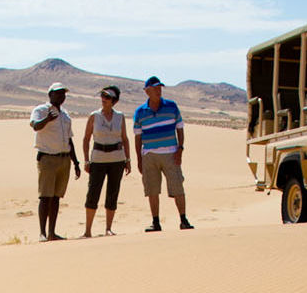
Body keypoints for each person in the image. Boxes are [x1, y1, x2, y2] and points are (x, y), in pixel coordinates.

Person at [133, 76, 192, 231]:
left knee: (177, 186)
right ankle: (156, 222)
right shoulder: (140, 112)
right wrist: (139, 158)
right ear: (147, 91)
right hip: (149, 155)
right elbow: (137, 137)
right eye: (155, 88)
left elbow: (180, 128)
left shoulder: (171, 107)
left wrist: (180, 149)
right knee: (152, 189)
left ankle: (183, 219)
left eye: (160, 88)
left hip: (171, 153)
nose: (159, 91)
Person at [29, 82, 82, 241]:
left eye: (63, 94)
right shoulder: (40, 110)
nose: (61, 96)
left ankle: (52, 232)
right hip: (47, 158)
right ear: (50, 95)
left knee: (56, 197)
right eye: (58, 93)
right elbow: (35, 126)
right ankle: (42, 233)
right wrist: (47, 119)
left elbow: (69, 140)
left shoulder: (65, 116)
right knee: (45, 196)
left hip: (63, 159)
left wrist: (76, 162)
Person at [81, 85, 132, 237]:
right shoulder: (94, 116)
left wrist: (128, 159)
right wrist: (86, 160)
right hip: (98, 159)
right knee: (93, 192)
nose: (104, 99)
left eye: (108, 97)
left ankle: (108, 228)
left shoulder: (120, 116)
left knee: (113, 192)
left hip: (117, 159)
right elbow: (86, 138)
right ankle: (88, 230)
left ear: (114, 101)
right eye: (102, 96)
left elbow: (124, 138)